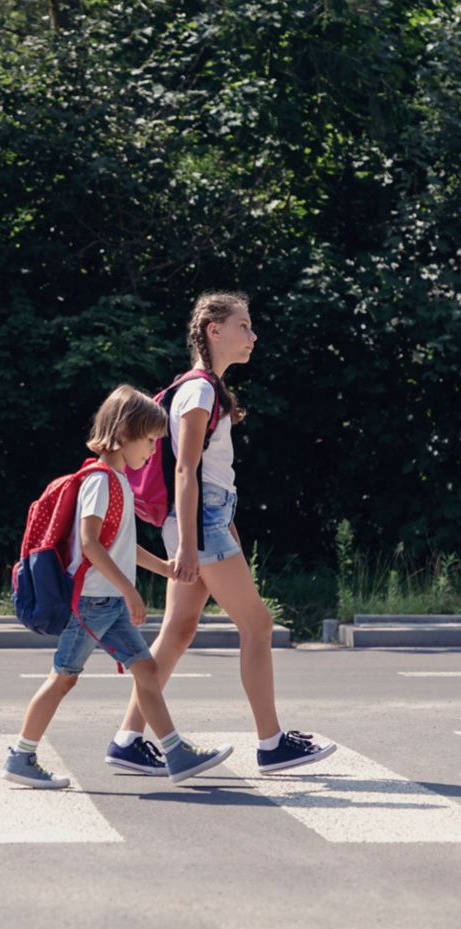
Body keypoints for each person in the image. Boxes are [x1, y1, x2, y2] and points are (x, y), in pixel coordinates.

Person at [106, 292, 337, 775]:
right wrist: (192, 544)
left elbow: (207, 475)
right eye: (243, 326)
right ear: (214, 330)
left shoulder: (205, 390)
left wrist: (217, 527)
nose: (252, 336)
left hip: (207, 520)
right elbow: (185, 471)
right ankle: (271, 743)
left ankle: (127, 739)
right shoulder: (200, 392)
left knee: (178, 630)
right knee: (257, 626)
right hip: (199, 523)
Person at [1, 385, 233, 789]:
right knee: (63, 678)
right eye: (148, 441)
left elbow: (120, 545)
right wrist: (130, 590)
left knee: (145, 669)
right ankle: (22, 756)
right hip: (91, 602)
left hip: (104, 602)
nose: (151, 453)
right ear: (123, 433)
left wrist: (163, 567)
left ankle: (176, 753)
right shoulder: (100, 480)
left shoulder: (118, 481)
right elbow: (90, 543)